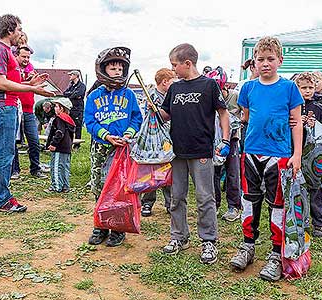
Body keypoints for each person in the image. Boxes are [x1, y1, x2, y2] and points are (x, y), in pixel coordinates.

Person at [229, 36, 303, 281]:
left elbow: (296, 122)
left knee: (278, 204)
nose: (265, 63)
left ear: (280, 61)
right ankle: (247, 245)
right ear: (254, 63)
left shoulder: (289, 88)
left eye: (271, 59)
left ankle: (275, 254)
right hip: (251, 152)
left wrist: (297, 155)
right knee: (249, 200)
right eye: (260, 59)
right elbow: (247, 117)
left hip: (279, 155)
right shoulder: (248, 88)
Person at [0, 14, 54, 212]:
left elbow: (7, 84)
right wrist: (33, 90)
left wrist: (29, 84)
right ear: (10, 31)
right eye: (18, 29)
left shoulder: (5, 51)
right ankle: (2, 200)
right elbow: (0, 83)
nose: (20, 33)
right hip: (2, 107)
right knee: (5, 152)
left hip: (5, 105)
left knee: (1, 150)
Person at [157, 43, 230, 265]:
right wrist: (154, 109)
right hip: (177, 152)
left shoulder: (209, 85)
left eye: (174, 65)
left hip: (201, 151)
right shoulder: (175, 88)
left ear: (187, 63)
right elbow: (166, 114)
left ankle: (208, 240)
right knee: (177, 197)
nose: (173, 70)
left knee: (204, 197)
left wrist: (225, 140)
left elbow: (223, 113)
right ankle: (179, 237)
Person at [85, 46, 142, 247]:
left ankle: (118, 228)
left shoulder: (129, 95)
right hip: (101, 146)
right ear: (103, 70)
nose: (117, 72)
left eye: (120, 69)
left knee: (120, 187)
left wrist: (128, 134)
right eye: (113, 69)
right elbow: (89, 121)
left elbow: (137, 118)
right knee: (99, 186)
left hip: (122, 148)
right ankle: (100, 225)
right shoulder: (93, 96)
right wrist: (106, 135)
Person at [295, 72, 322, 238]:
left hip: (314, 155)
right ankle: (300, 220)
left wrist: (316, 125)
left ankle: (319, 223)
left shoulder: (319, 107)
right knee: (297, 188)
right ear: (297, 89)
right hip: (296, 152)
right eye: (304, 88)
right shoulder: (292, 107)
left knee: (316, 189)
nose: (307, 91)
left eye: (310, 87)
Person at [205, 66, 242, 222]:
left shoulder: (235, 97)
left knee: (233, 173)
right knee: (213, 173)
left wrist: (236, 122)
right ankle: (215, 204)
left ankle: (234, 206)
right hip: (214, 141)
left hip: (232, 140)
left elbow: (246, 114)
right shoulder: (208, 98)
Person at [140, 68, 176, 217]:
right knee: (153, 171)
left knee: (167, 170)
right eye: (173, 82)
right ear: (165, 82)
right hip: (154, 140)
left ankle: (170, 203)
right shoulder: (152, 96)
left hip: (168, 138)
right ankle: (147, 203)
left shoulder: (171, 95)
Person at [14, 45, 47, 178]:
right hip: (15, 109)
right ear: (17, 55)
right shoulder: (13, 69)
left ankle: (35, 168)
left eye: (28, 57)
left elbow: (35, 85)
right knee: (13, 142)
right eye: (24, 56)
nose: (26, 59)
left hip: (28, 110)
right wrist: (28, 81)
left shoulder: (31, 69)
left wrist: (35, 81)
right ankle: (15, 170)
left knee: (34, 141)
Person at [45, 97, 75, 193]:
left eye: (56, 106)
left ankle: (56, 186)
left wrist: (53, 144)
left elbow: (59, 132)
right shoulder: (69, 120)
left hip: (59, 147)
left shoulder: (59, 119)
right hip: (67, 148)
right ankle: (65, 186)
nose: (54, 108)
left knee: (56, 166)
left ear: (62, 108)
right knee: (65, 167)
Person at [64, 70, 86, 143]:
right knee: (69, 125)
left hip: (78, 109)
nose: (69, 76)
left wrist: (71, 95)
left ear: (76, 76)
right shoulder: (71, 85)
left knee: (77, 126)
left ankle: (77, 143)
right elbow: (64, 93)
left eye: (71, 75)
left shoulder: (82, 86)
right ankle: (70, 141)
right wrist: (72, 94)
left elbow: (78, 94)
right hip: (71, 108)